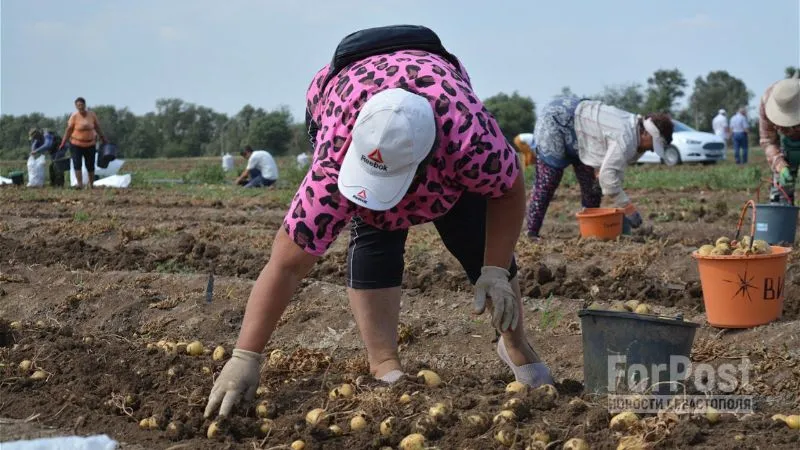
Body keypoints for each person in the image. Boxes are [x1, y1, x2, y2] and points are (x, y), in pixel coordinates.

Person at [204, 25, 553, 419]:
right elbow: (286, 264)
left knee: (474, 231)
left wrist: (494, 268)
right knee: (376, 229)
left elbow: (507, 189)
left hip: (439, 104)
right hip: (346, 90)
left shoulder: (469, 138)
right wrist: (245, 355)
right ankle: (384, 363)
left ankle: (516, 342)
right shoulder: (332, 159)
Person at [525, 95, 673, 240]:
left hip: (582, 134)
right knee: (549, 179)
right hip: (558, 119)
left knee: (592, 189)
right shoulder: (626, 137)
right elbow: (608, 179)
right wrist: (628, 209)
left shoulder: (635, 133)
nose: (653, 150)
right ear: (646, 133)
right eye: (653, 145)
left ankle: (590, 234)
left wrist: (601, 173)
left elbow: (615, 167)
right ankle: (531, 232)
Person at [760, 72, 800, 204]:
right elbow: (768, 141)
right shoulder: (767, 101)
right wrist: (781, 166)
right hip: (787, 148)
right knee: (781, 195)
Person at [59, 97, 106, 189]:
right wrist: (63, 142)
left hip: (90, 144)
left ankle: (91, 184)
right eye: (78, 105)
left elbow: (97, 127)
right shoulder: (74, 116)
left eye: (82, 105)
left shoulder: (91, 115)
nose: (80, 107)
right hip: (76, 144)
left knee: (90, 165)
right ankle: (79, 184)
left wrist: (103, 138)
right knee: (77, 164)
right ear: (76, 106)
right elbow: (68, 130)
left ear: (85, 105)